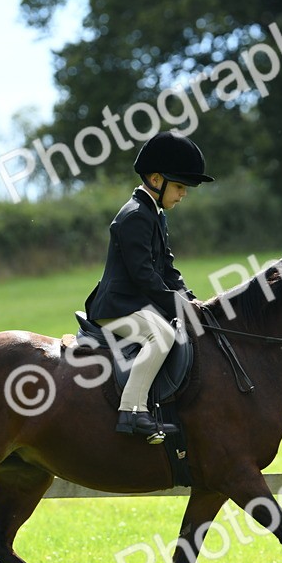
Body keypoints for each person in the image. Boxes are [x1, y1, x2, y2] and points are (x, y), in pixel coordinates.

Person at [84, 131, 214, 443]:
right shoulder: (134, 216)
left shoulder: (155, 215)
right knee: (162, 334)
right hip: (116, 307)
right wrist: (179, 306)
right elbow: (144, 276)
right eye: (180, 186)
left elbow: (167, 268)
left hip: (136, 306)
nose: (184, 194)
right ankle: (131, 411)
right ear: (156, 179)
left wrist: (192, 300)